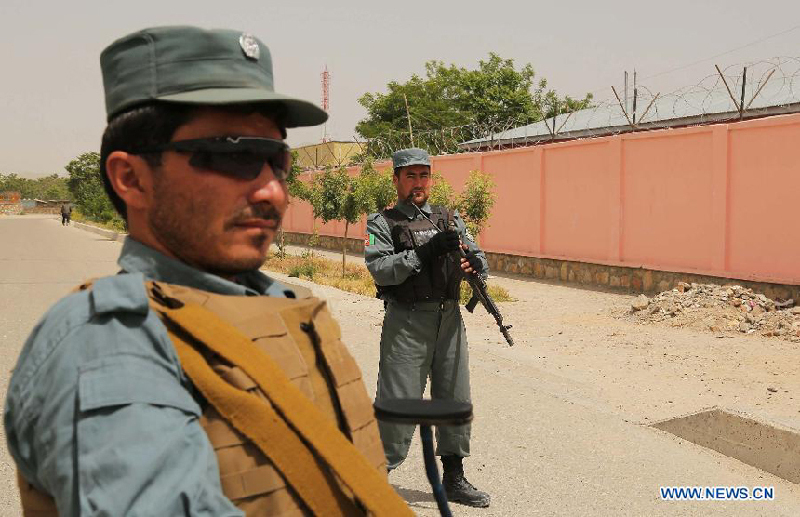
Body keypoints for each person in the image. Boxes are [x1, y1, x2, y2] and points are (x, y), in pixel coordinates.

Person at [5, 26, 411, 516]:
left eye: (275, 161)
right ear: (131, 178)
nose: (274, 193)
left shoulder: (283, 303)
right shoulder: (111, 344)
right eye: (235, 156)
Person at [364, 147, 491, 508]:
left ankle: (453, 476)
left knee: (454, 396)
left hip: (449, 319)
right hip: (407, 320)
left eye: (424, 176)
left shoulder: (449, 218)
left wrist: (473, 265)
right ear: (397, 180)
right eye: (410, 176)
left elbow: (480, 257)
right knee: (398, 400)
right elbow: (380, 268)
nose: (418, 183)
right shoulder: (381, 223)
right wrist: (423, 253)